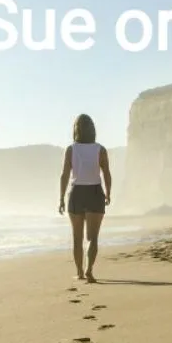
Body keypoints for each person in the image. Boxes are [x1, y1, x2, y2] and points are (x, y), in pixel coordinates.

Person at [59, 114, 111, 283]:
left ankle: (80, 272)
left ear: (76, 130)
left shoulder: (71, 149)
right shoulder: (100, 149)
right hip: (95, 192)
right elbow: (106, 173)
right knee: (92, 238)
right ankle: (89, 270)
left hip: (76, 192)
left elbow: (65, 175)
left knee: (77, 238)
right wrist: (108, 193)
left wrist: (61, 198)